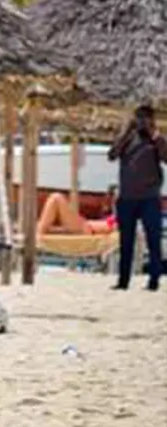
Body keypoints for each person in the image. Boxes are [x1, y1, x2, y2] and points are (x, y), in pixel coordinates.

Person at [107, 105, 166, 291]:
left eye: (145, 118)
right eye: (139, 118)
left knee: (153, 240)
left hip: (150, 197)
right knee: (126, 240)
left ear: (152, 119)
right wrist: (126, 133)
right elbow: (112, 155)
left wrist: (154, 135)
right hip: (127, 197)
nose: (142, 122)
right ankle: (123, 280)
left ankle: (154, 280)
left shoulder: (156, 139)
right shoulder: (128, 138)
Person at [36, 190, 117, 237]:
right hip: (85, 225)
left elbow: (109, 227)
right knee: (55, 199)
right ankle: (41, 230)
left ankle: (38, 234)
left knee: (56, 198)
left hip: (86, 228)